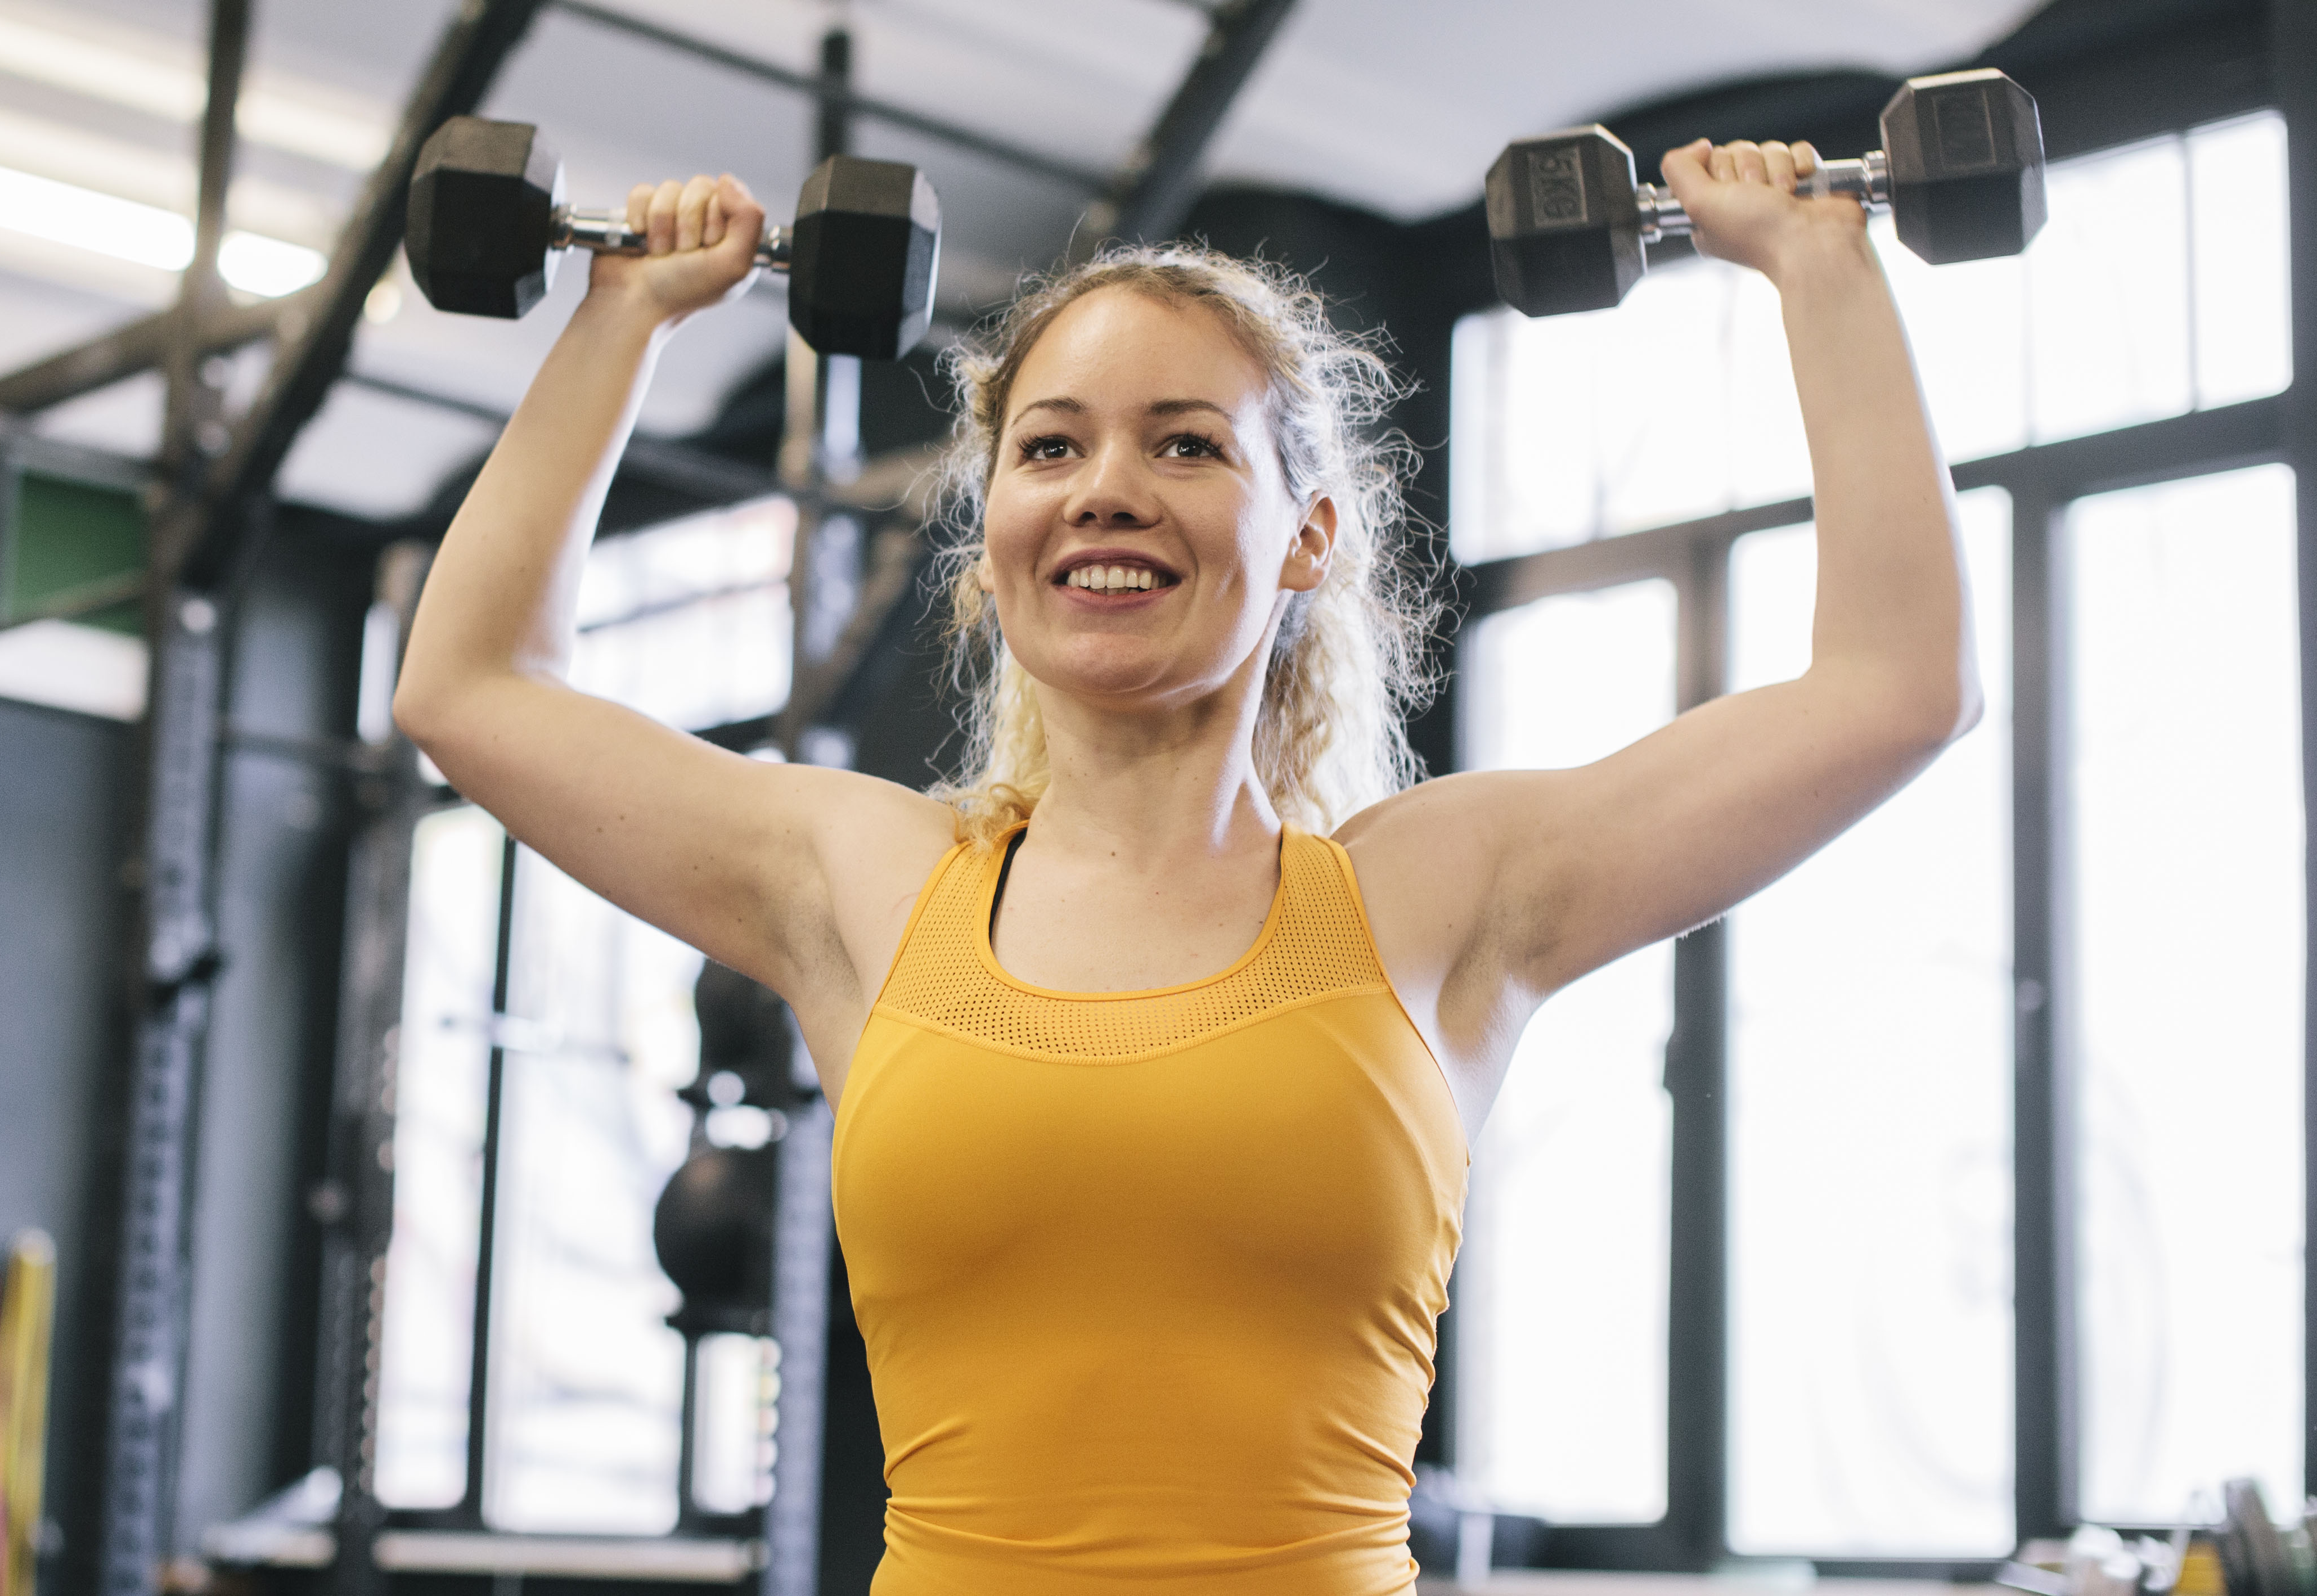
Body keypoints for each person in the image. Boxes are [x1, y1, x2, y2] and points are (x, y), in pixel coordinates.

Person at [395, 136, 1978, 1594]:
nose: (1105, 489)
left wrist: (1820, 268)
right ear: (997, 515)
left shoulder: (1439, 901)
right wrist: (623, 318)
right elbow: (469, 693)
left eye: (1185, 445)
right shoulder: (865, 886)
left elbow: (1893, 686)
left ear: (1308, 535)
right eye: (1051, 446)